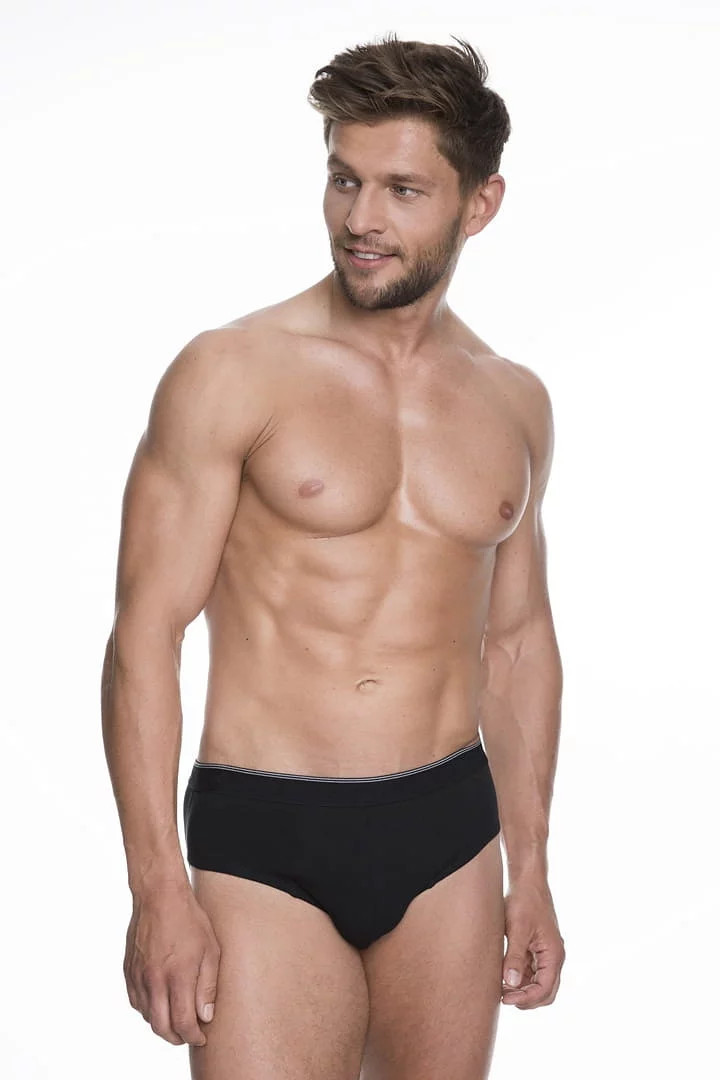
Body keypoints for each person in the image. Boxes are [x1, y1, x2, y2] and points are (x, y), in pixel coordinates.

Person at [101, 31, 565, 1080]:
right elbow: (145, 635)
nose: (361, 219)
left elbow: (517, 642)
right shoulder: (232, 372)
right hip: (268, 829)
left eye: (403, 190)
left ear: (479, 204)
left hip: (450, 832)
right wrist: (157, 886)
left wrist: (530, 866)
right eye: (344, 179)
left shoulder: (513, 401)